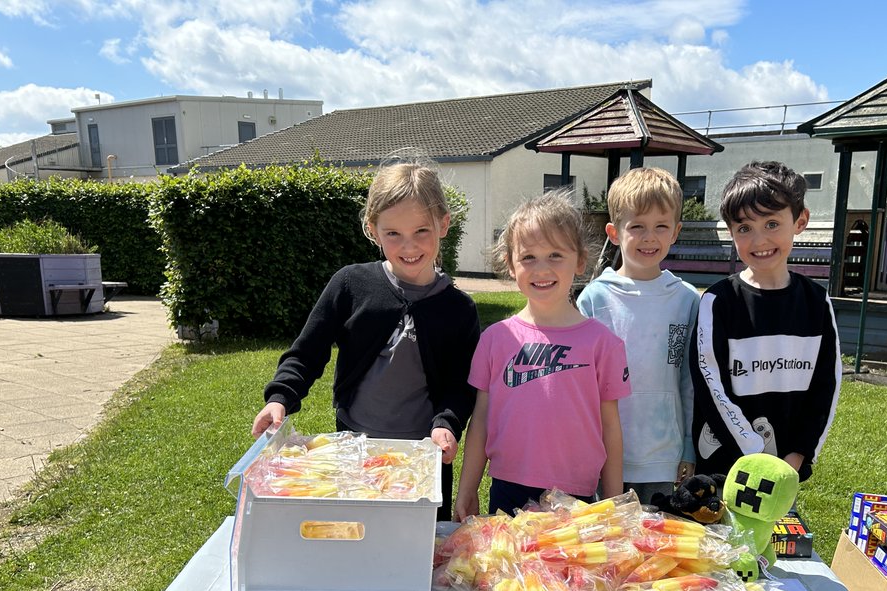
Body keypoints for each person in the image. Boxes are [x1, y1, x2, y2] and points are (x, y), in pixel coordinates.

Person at [251, 160, 480, 520]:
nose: (409, 247)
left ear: (444, 225)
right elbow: (307, 352)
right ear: (373, 230)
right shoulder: (350, 284)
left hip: (424, 456)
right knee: (356, 539)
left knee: (418, 554)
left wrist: (446, 424)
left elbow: (460, 385)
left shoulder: (460, 309)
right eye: (393, 234)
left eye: (422, 231)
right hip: (353, 450)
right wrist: (281, 397)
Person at [454, 192, 629, 519]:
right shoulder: (495, 340)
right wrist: (467, 490)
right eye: (529, 257)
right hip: (508, 488)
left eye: (555, 255)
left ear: (579, 261)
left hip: (576, 495)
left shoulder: (603, 343)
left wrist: (614, 503)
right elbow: (480, 422)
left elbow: (610, 428)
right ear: (510, 264)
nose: (541, 268)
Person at [690, 160, 840, 484]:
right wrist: (756, 454)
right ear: (730, 232)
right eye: (745, 228)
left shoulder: (817, 302)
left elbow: (826, 387)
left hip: (786, 469)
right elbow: (710, 385)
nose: (759, 240)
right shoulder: (718, 302)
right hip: (725, 467)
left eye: (771, 224)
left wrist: (798, 455)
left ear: (800, 221)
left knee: (780, 537)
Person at [577, 167, 699, 506]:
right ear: (614, 233)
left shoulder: (687, 299)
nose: (650, 237)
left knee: (656, 549)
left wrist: (688, 446)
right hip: (605, 455)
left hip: (665, 457)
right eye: (638, 227)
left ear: (675, 231)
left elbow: (690, 382)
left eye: (661, 226)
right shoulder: (594, 298)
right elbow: (583, 385)